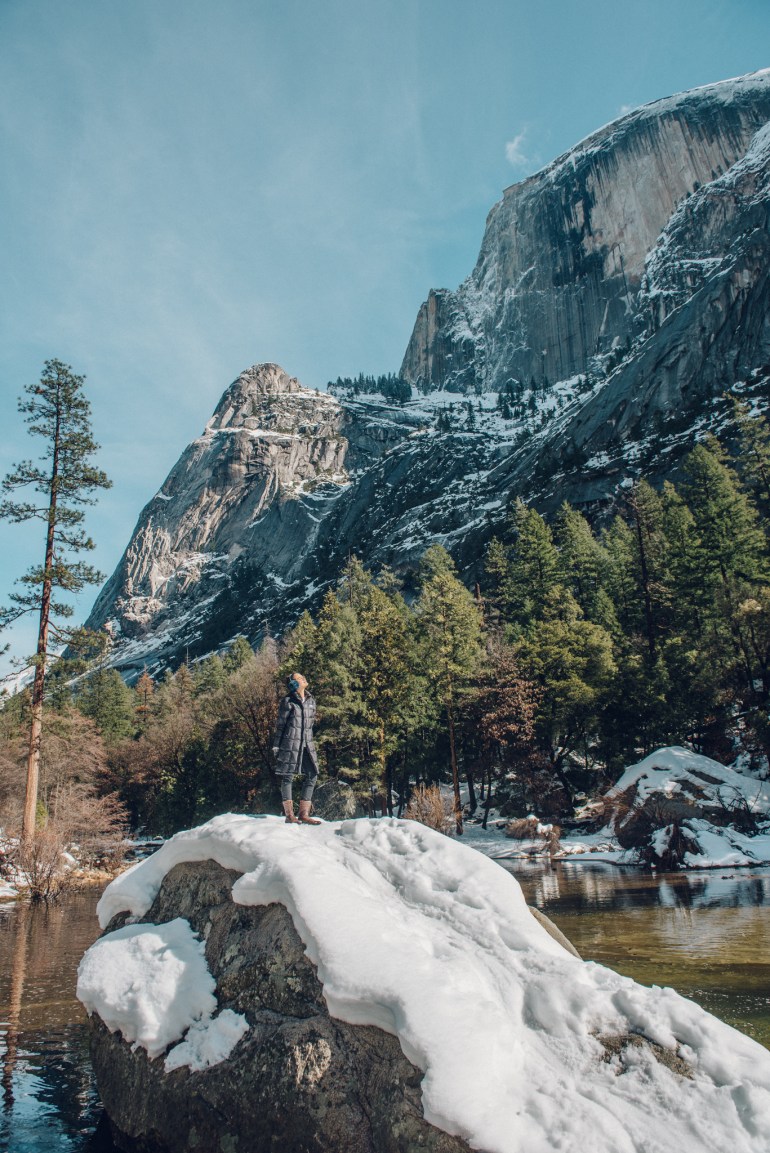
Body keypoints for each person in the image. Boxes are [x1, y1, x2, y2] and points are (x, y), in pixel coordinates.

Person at [272, 672, 321, 824]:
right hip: (290, 743)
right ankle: (289, 815)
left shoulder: (311, 700)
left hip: (307, 743)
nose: (303, 678)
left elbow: (311, 724)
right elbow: (281, 725)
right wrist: (276, 745)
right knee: (288, 776)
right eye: (299, 678)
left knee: (312, 773)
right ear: (293, 684)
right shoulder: (287, 701)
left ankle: (303, 814)